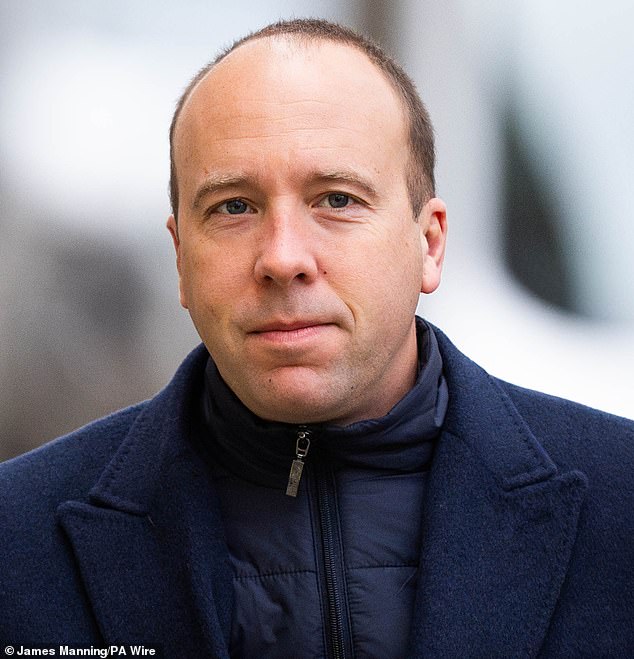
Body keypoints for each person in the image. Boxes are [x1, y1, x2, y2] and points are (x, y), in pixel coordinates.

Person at [1, 18, 633, 659]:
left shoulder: (622, 503)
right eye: (234, 207)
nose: (282, 258)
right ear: (181, 258)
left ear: (429, 244)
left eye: (337, 200)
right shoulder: (16, 537)